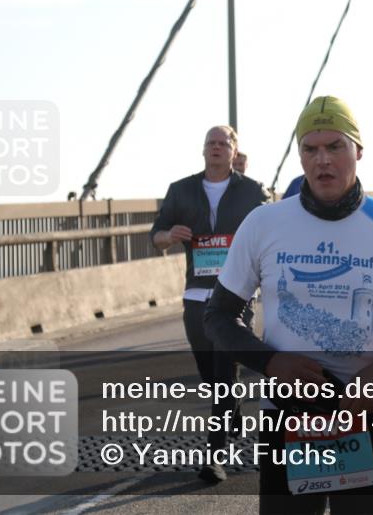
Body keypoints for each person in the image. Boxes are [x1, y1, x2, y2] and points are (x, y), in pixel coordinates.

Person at [205, 96, 373, 514]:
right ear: (300, 154)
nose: (322, 160)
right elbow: (218, 316)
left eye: (335, 147)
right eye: (310, 148)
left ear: (358, 150)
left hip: (369, 408)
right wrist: (271, 363)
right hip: (288, 409)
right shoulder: (264, 223)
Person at [150, 125, 269, 483]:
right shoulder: (180, 190)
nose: (216, 148)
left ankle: (214, 456)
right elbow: (155, 236)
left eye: (224, 143)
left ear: (235, 152)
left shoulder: (252, 192)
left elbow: (271, 235)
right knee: (210, 374)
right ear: (203, 150)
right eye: (211, 143)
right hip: (196, 294)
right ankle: (232, 410)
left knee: (223, 373)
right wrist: (168, 236)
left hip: (237, 296)